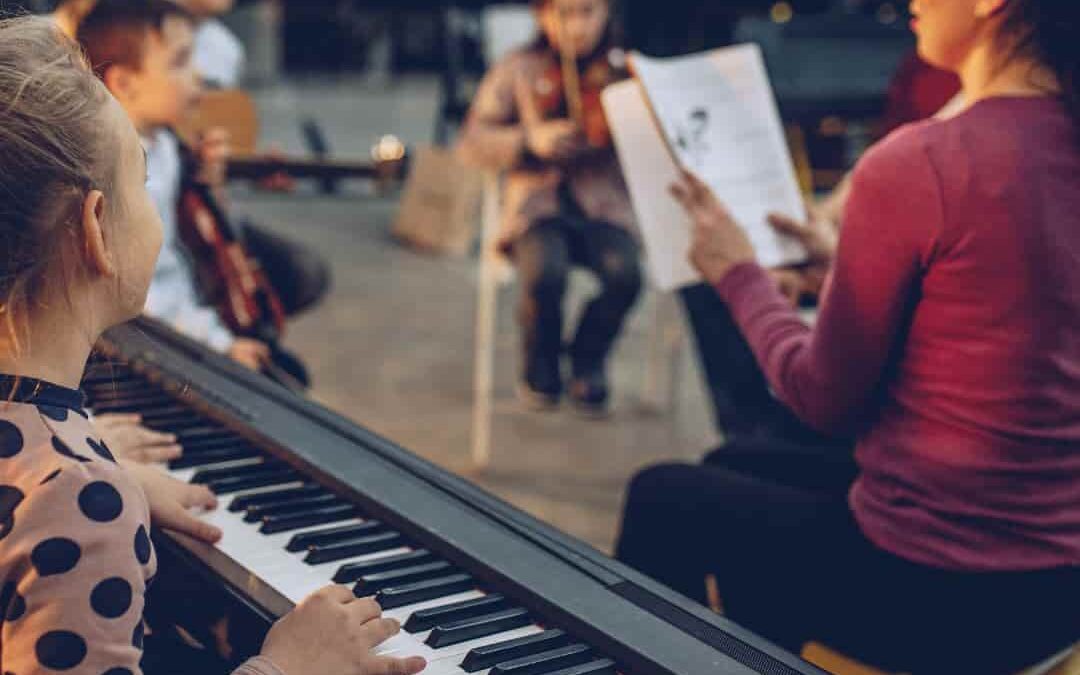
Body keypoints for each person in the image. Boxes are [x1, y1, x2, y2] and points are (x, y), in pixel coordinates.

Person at [616, 0, 1080, 672]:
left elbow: (821, 397)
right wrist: (846, 268)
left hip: (945, 593)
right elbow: (1004, 304)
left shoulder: (925, 159)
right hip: (1057, 589)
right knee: (733, 465)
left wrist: (739, 273)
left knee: (662, 497)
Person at [0, 15, 425, 675]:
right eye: (142, 182)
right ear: (96, 229)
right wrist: (288, 666)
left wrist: (105, 468)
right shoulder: (76, 501)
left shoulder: (44, 458)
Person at [77, 0, 326, 381]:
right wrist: (218, 345)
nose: (198, 75)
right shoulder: (118, 168)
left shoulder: (163, 145)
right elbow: (142, 297)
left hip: (184, 325)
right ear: (124, 83)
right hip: (148, 344)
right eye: (180, 63)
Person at [458, 0, 643, 415]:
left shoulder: (625, 71)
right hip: (537, 209)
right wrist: (529, 141)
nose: (576, 26)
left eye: (588, 12)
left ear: (607, 13)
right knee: (544, 274)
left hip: (605, 208)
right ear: (543, 16)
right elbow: (471, 141)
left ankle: (588, 357)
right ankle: (540, 357)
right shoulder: (518, 68)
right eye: (565, 13)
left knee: (625, 275)